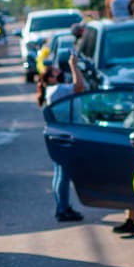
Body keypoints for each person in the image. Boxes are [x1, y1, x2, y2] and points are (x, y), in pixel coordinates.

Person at [43, 24, 87, 222]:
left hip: (58, 133)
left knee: (60, 172)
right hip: (64, 135)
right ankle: (62, 209)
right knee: (64, 174)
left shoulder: (53, 90)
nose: (57, 71)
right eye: (54, 71)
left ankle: (61, 206)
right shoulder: (57, 90)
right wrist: (73, 65)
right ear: (50, 78)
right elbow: (80, 86)